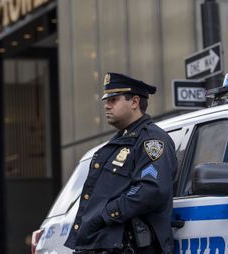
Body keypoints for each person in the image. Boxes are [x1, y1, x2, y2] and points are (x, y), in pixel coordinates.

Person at [64, 72, 177, 254]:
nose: (107, 106)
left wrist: (105, 214)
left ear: (134, 102)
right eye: (106, 101)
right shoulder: (115, 144)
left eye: (114, 100)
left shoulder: (152, 140)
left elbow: (150, 189)